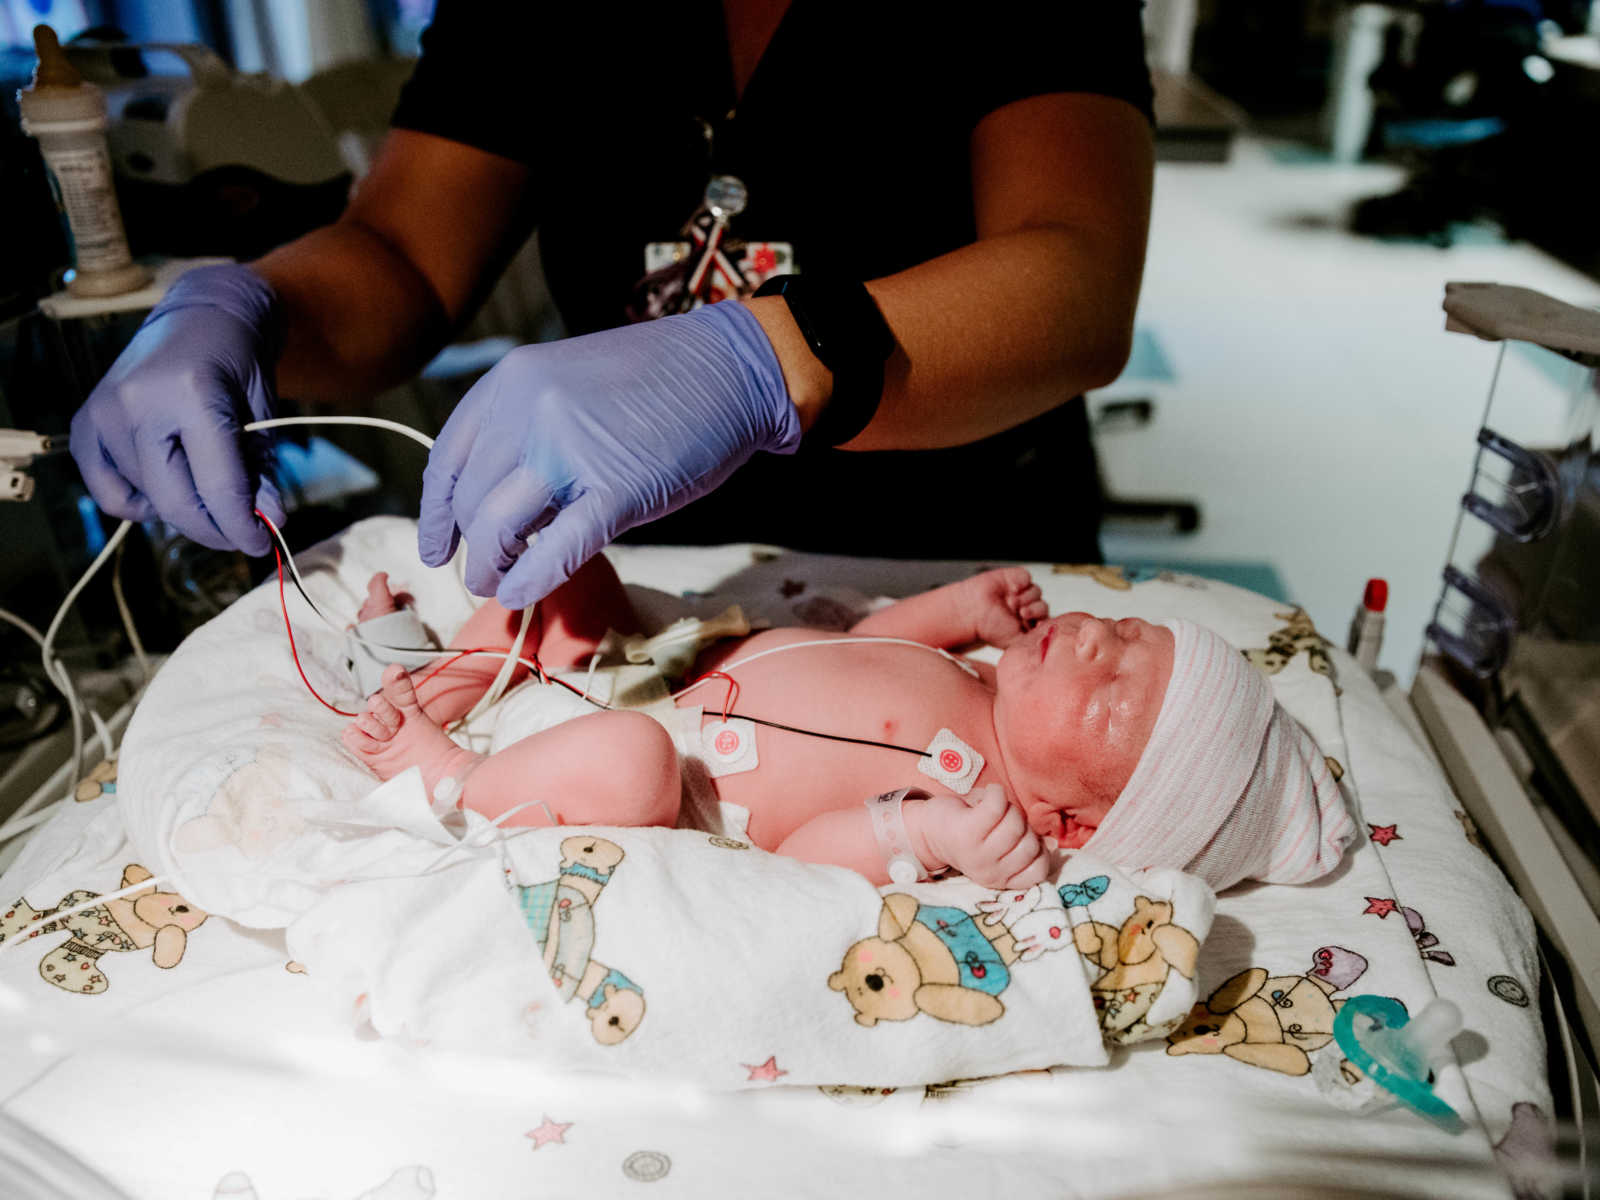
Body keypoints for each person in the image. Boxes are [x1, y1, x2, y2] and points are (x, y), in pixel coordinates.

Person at [68, 2, 1157, 611]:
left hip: (957, 556)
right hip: (632, 577)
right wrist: (241, 304)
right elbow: (400, 251)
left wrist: (766, 356)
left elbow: (1075, 271)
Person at [340, 558, 1356, 891]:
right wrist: (959, 608)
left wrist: (914, 834)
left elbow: (808, 857)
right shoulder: (969, 681)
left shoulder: (972, 808)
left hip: (668, 779)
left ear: (1070, 824)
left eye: (1108, 694)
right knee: (573, 571)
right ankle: (439, 680)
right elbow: (873, 640)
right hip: (661, 666)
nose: (1091, 642)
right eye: (1123, 632)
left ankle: (441, 768)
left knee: (629, 761)